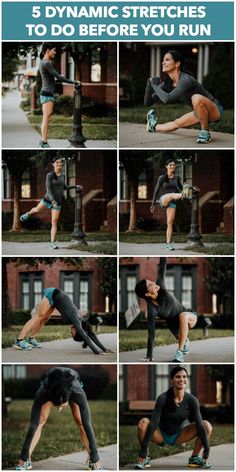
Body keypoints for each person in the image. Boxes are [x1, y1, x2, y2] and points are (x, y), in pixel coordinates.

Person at [15, 367, 102, 471]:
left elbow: (88, 423)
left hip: (72, 385)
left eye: (62, 405)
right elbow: (33, 424)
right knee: (40, 420)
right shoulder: (43, 391)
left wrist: (95, 456)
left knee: (81, 421)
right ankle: (26, 461)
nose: (60, 408)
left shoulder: (77, 391)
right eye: (57, 406)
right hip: (51, 385)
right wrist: (22, 456)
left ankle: (93, 461)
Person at [134, 366, 212, 470]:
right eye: (178, 377)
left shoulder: (192, 400)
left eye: (184, 377)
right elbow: (153, 424)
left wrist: (206, 449)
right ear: (172, 380)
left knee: (206, 425)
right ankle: (145, 458)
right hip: (160, 434)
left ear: (187, 380)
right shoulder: (163, 398)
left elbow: (199, 425)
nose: (181, 379)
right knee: (143, 422)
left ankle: (194, 458)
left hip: (179, 435)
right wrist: (143, 450)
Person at [144, 50, 224, 144]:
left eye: (167, 60)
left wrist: (155, 86)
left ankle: (205, 133)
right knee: (176, 123)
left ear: (177, 64)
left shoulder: (186, 80)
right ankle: (153, 126)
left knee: (196, 97)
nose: (163, 62)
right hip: (199, 112)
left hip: (214, 110)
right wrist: (149, 86)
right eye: (163, 60)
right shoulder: (168, 83)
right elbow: (148, 102)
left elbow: (167, 99)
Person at [135, 257, 198, 363]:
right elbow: (151, 333)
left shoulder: (161, 284)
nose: (153, 282)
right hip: (174, 327)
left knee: (183, 315)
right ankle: (185, 342)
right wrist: (149, 355)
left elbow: (162, 266)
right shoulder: (152, 309)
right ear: (147, 294)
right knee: (183, 339)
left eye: (150, 281)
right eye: (149, 284)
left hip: (189, 316)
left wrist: (162, 254)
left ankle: (179, 352)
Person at [13, 287, 110, 355]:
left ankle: (31, 339)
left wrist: (105, 349)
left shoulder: (81, 321)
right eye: (72, 334)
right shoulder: (76, 320)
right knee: (38, 316)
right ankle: (19, 340)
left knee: (44, 319)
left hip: (57, 300)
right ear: (77, 331)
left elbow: (91, 335)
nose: (70, 332)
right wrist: (97, 352)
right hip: (53, 293)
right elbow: (85, 336)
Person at [20, 157, 82, 250]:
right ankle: (28, 214)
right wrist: (52, 200)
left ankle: (52, 243)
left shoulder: (62, 175)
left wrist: (75, 186)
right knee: (36, 210)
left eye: (60, 162)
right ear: (53, 164)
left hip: (57, 203)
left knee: (54, 222)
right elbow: (48, 190)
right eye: (57, 162)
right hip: (48, 200)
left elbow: (64, 187)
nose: (59, 164)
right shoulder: (50, 175)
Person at [38, 43, 79, 148]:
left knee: (46, 117)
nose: (55, 52)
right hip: (47, 93)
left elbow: (54, 77)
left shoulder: (44, 62)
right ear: (48, 50)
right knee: (46, 118)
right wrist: (74, 82)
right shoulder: (46, 63)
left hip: (46, 93)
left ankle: (43, 140)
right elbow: (59, 77)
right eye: (54, 50)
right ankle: (44, 141)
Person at [150, 158, 194, 251]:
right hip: (164, 199)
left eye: (174, 165)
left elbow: (182, 187)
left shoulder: (176, 177)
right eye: (170, 165)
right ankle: (184, 196)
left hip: (172, 202)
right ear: (167, 166)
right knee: (172, 195)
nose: (172, 166)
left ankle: (168, 244)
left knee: (170, 222)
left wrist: (192, 188)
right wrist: (153, 204)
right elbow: (156, 191)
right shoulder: (162, 178)